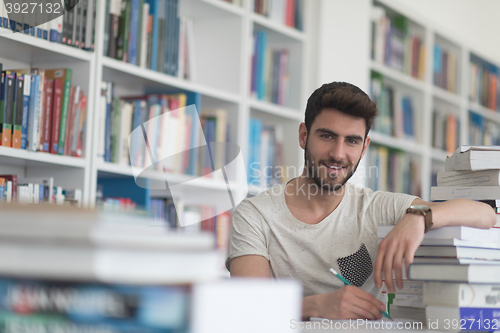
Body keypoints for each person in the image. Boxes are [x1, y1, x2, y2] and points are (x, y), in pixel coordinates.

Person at [226, 82, 496, 321]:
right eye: (327, 135)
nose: (338, 153)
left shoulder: (376, 208)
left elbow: (486, 215)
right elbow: (248, 306)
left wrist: (418, 216)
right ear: (303, 136)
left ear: (364, 147)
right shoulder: (255, 214)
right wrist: (318, 305)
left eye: (352, 141)